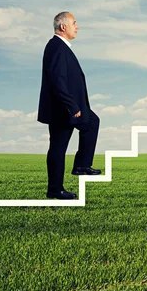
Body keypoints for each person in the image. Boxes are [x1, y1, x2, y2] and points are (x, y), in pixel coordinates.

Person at [37, 11, 101, 199]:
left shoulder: (61, 47)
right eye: (74, 23)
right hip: (63, 108)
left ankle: (81, 165)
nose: (77, 26)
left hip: (68, 106)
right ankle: (55, 189)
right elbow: (57, 81)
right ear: (63, 27)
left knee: (92, 122)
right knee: (58, 147)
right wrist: (72, 106)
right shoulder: (56, 47)